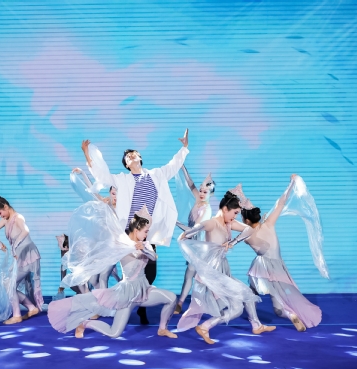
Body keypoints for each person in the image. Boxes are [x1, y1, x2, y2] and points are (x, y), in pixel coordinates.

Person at [80, 129, 189, 324]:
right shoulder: (122, 179)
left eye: (134, 154)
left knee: (151, 271)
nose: (131, 156)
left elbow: (173, 166)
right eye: (128, 157)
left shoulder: (156, 174)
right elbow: (103, 176)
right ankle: (118, 306)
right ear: (126, 164)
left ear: (140, 158)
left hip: (149, 232)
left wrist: (184, 148)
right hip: (130, 233)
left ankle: (140, 303)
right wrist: (87, 155)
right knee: (128, 272)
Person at [49, 206, 177, 339]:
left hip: (144, 290)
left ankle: (162, 329)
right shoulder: (122, 245)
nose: (146, 235)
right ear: (136, 230)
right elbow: (105, 252)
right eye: (145, 231)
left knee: (172, 298)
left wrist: (143, 249)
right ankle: (85, 323)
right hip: (127, 295)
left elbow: (153, 257)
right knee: (114, 333)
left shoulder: (146, 245)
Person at [177, 186, 275, 344]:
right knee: (238, 306)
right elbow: (197, 228)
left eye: (237, 213)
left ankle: (255, 325)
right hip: (214, 272)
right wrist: (185, 234)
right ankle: (206, 326)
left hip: (222, 269)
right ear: (224, 209)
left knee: (245, 297)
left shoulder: (228, 224)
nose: (236, 216)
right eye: (235, 213)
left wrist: (233, 241)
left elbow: (249, 230)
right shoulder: (213, 223)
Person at [242, 174, 326, 331]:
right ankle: (290, 313)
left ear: (246, 220)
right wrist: (291, 183)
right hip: (278, 267)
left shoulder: (247, 236)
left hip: (261, 268)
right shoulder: (269, 223)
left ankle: (254, 320)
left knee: (251, 292)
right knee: (278, 304)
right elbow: (281, 202)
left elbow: (244, 228)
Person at [0, 195, 43, 325]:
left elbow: (26, 231)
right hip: (19, 255)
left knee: (9, 284)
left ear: (6, 207)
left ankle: (18, 314)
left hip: (27, 255)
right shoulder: (7, 219)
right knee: (9, 284)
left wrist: (14, 247)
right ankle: (31, 308)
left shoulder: (18, 218)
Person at [174, 165, 215, 314]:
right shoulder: (199, 199)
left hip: (200, 245)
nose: (201, 193)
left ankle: (209, 303)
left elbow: (193, 230)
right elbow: (190, 183)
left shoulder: (207, 210)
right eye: (201, 190)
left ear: (211, 193)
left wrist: (176, 223)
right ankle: (181, 303)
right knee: (190, 275)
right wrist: (182, 166)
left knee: (198, 275)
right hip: (193, 243)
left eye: (205, 192)